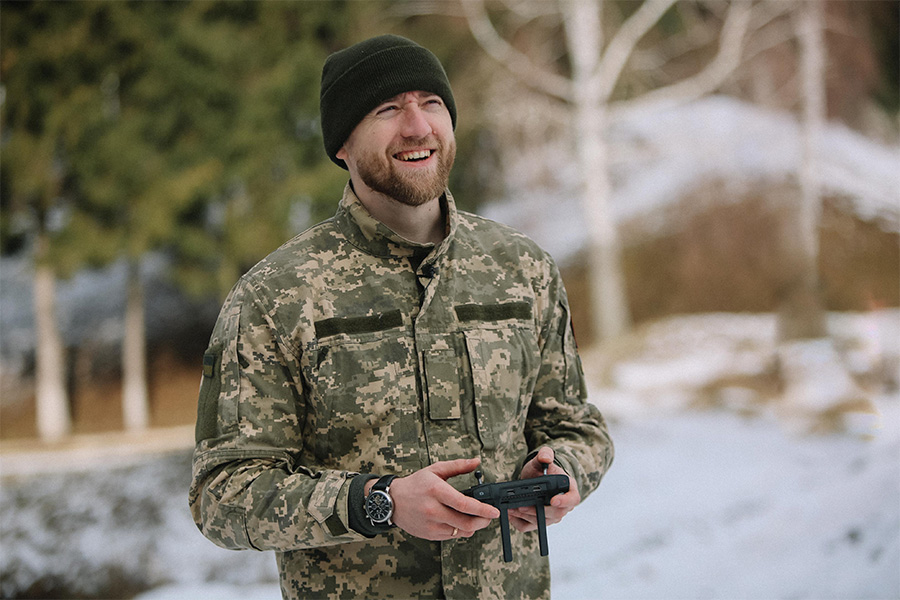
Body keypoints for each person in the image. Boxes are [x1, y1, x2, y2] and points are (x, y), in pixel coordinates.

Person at [190, 34, 614, 599]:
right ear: (342, 144)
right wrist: (379, 502)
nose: (417, 126)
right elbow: (222, 494)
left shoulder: (522, 268)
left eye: (431, 103)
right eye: (387, 109)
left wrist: (561, 472)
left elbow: (577, 426)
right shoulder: (276, 297)